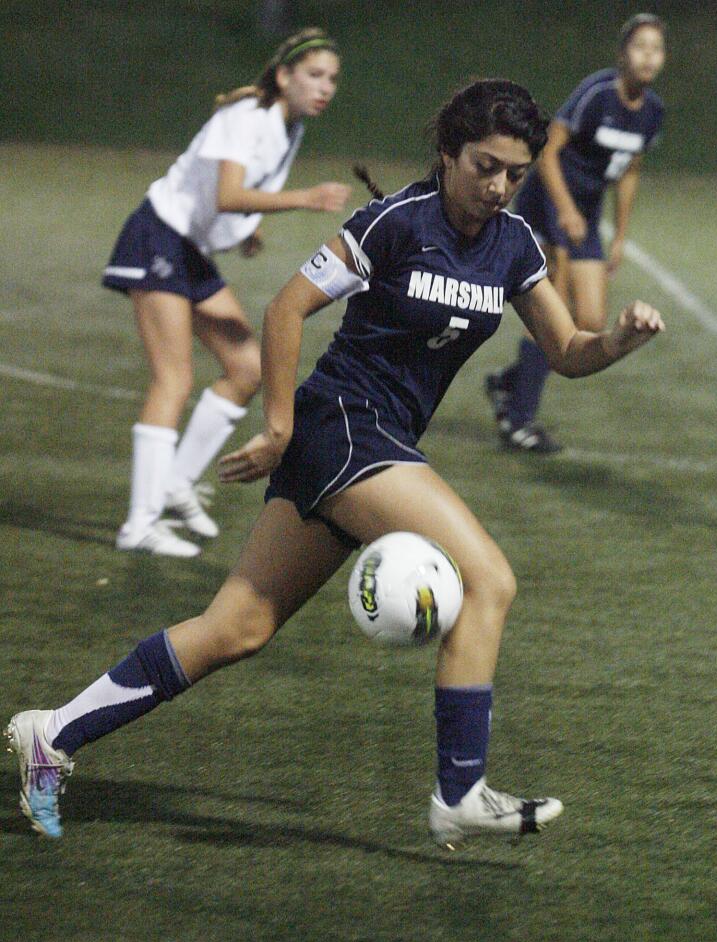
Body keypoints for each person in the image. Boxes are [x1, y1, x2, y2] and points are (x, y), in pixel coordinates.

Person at [6, 79, 664, 844]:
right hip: (344, 425)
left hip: (372, 440)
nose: (499, 186)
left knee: (236, 628)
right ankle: (460, 792)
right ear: (448, 154)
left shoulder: (513, 245)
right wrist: (280, 424)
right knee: (489, 579)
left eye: (515, 173)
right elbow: (286, 307)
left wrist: (616, 339)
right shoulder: (391, 224)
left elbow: (569, 352)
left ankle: (51, 731)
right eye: (485, 166)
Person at [103, 27, 351, 557]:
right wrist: (305, 198)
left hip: (190, 251)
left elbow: (235, 199)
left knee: (247, 369)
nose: (324, 86)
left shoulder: (289, 126)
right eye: (314, 75)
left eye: (331, 78)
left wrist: (250, 228)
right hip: (159, 237)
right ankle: (140, 524)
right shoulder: (246, 118)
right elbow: (229, 194)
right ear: (284, 76)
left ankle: (175, 483)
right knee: (173, 379)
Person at [485, 13, 666, 453]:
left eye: (657, 49)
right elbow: (547, 152)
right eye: (640, 46)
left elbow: (629, 173)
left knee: (589, 321)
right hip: (547, 203)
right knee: (553, 309)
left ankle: (508, 384)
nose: (648, 56)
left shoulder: (653, 113)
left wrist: (620, 235)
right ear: (623, 54)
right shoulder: (597, 93)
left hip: (584, 215)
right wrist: (563, 210)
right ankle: (520, 422)